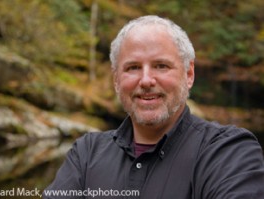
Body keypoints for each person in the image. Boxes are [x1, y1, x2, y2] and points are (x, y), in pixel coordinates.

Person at [43, 15, 264, 198]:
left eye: (161, 65)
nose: (146, 80)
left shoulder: (228, 153)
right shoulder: (86, 154)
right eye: (133, 67)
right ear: (116, 80)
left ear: (189, 74)